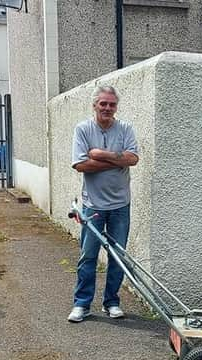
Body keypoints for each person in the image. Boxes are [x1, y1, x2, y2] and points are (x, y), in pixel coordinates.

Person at [68, 86, 139, 323]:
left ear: (116, 107)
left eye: (112, 104)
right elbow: (80, 165)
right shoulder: (83, 129)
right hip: (93, 205)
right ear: (95, 105)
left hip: (120, 204)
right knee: (88, 256)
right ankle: (82, 304)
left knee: (118, 256)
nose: (107, 108)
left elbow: (133, 159)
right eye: (103, 104)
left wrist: (99, 153)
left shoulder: (125, 128)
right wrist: (117, 159)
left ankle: (112, 302)